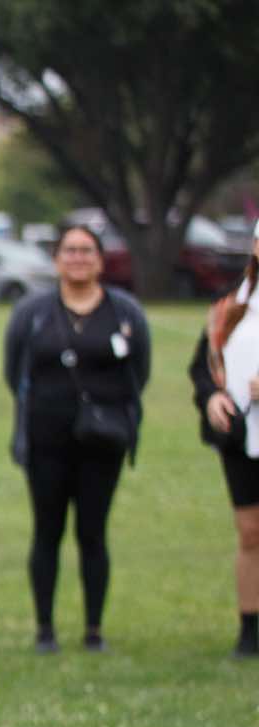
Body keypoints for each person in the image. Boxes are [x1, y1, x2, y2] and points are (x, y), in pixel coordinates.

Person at [3, 224, 151, 653]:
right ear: (56, 260)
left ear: (100, 260)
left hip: (103, 441)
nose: (78, 258)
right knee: (46, 531)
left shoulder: (124, 312)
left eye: (87, 250)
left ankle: (94, 629)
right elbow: (14, 371)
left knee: (93, 533)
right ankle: (45, 629)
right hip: (46, 440)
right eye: (69, 250)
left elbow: (139, 372)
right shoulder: (33, 313)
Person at [188, 225, 259, 657]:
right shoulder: (232, 303)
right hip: (241, 434)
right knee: (250, 532)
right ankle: (250, 629)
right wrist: (211, 396)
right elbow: (202, 365)